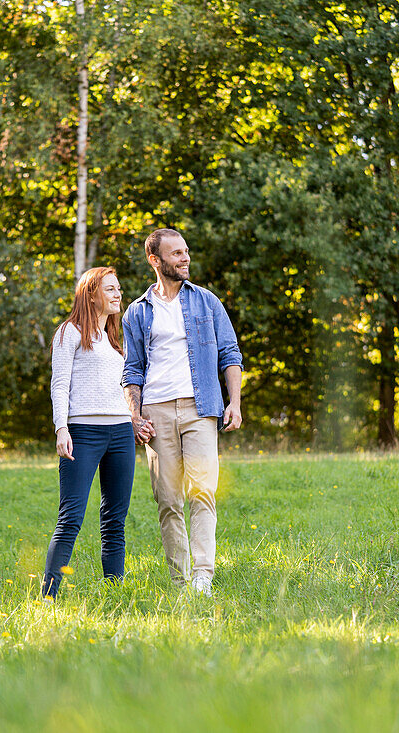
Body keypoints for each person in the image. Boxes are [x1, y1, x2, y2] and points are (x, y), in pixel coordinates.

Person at [122, 228, 243, 597]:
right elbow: (132, 369)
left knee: (202, 491)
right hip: (156, 412)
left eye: (186, 251)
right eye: (176, 254)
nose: (185, 258)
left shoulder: (207, 301)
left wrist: (234, 402)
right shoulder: (137, 312)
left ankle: (203, 577)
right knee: (168, 499)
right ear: (155, 260)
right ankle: (181, 580)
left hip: (200, 408)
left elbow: (230, 353)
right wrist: (135, 415)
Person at [43, 266, 135, 599]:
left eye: (119, 289)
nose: (118, 294)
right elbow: (60, 383)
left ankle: (115, 593)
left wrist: (135, 419)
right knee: (71, 518)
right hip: (82, 432)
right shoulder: (69, 332)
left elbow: (123, 389)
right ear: (91, 292)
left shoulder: (115, 340)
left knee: (115, 520)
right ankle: (48, 597)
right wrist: (61, 427)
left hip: (121, 434)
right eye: (110, 289)